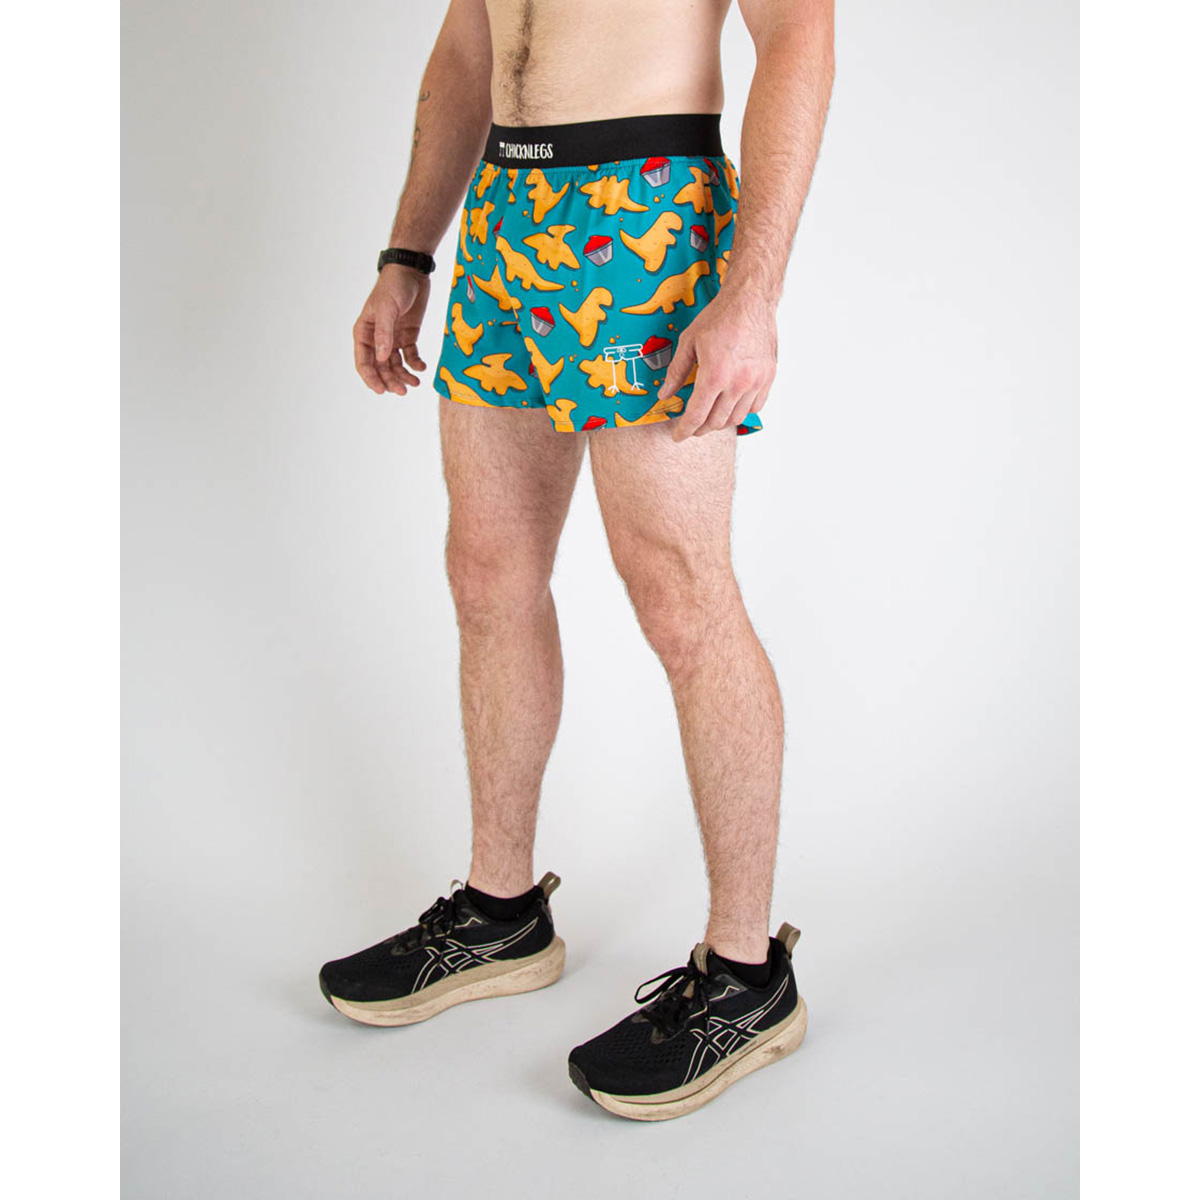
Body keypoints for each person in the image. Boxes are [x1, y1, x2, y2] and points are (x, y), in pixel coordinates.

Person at [321, 0, 834, 1120]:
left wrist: (751, 292)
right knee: (486, 574)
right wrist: (408, 253)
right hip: (505, 217)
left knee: (681, 597)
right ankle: (501, 913)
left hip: (648, 212)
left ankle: (746, 975)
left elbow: (799, 32)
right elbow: (470, 45)